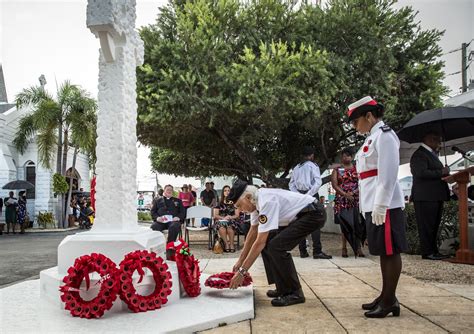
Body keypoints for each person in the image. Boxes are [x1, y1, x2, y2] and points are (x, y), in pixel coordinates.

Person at [349, 95, 407, 318]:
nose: (355, 127)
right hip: (373, 203)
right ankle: (385, 295)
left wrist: (381, 205)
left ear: (369, 116)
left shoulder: (385, 136)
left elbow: (388, 173)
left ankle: (390, 300)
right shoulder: (371, 138)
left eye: (356, 122)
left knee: (390, 251)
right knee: (383, 251)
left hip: (385, 204)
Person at [227, 179, 326, 307]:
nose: (240, 210)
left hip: (313, 214)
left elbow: (259, 242)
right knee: (270, 244)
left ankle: (295, 293)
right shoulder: (255, 203)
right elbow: (252, 233)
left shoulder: (266, 201)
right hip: (301, 215)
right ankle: (283, 288)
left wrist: (242, 272)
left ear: (248, 197)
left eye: (239, 206)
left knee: (276, 247)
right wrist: (240, 261)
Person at [410, 131, 450, 260]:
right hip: (425, 196)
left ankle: (434, 250)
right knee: (427, 226)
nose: (438, 143)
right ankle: (428, 252)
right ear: (429, 139)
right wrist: (441, 172)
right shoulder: (419, 155)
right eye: (437, 140)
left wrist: (445, 173)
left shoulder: (432, 154)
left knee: (434, 225)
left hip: (434, 195)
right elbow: (421, 173)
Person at [289, 146, 332, 259]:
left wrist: (299, 195)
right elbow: (318, 182)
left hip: (299, 196)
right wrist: (308, 195)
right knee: (316, 222)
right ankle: (317, 251)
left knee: (300, 222)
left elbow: (291, 184)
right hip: (311, 195)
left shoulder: (296, 168)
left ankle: (303, 251)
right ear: (312, 155)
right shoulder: (313, 166)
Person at [330, 148, 365, 258]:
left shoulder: (357, 168)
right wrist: (345, 194)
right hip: (342, 199)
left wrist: (354, 193)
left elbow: (362, 182)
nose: (346, 158)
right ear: (341, 157)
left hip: (356, 198)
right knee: (345, 224)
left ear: (352, 157)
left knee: (358, 223)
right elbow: (335, 185)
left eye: (348, 155)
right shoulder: (337, 169)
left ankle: (358, 247)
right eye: (344, 156)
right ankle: (344, 248)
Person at [213, 185, 241, 252]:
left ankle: (231, 244)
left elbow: (237, 215)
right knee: (221, 227)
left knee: (229, 227)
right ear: (223, 192)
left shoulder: (234, 203)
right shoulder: (219, 203)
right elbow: (215, 215)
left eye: (228, 190)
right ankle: (226, 244)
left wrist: (230, 217)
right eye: (225, 191)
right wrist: (223, 217)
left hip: (231, 220)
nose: (227, 192)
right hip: (221, 220)